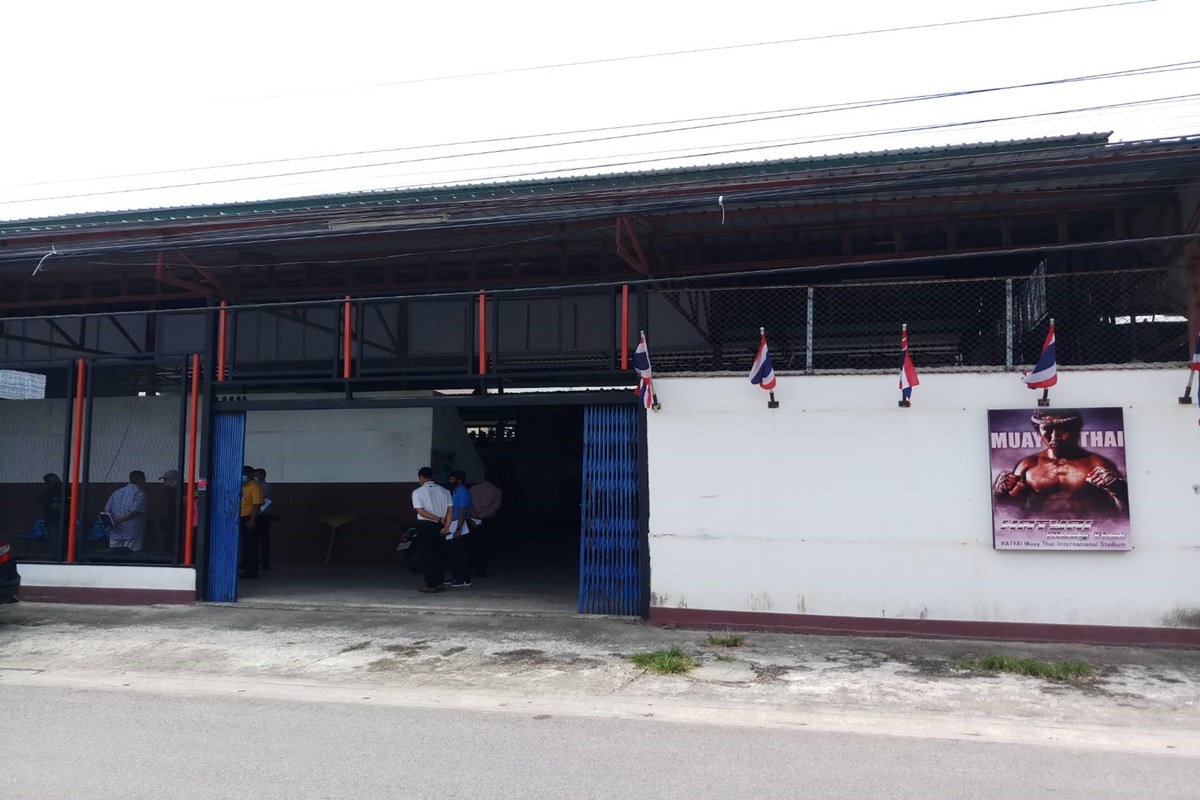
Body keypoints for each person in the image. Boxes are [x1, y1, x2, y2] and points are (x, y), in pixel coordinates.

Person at [993, 409, 1129, 519]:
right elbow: (1011, 516)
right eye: (1047, 429)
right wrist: (999, 496)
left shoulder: (1097, 464)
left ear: (1074, 429)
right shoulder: (1028, 466)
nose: (1054, 437)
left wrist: (1119, 490)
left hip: (1090, 538)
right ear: (1037, 429)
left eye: (1062, 429)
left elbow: (1124, 517)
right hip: (1041, 540)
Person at [411, 466, 451, 594]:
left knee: (428, 555)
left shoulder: (418, 492)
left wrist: (438, 519)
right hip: (441, 526)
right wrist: (446, 525)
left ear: (421, 478)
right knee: (439, 554)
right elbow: (450, 509)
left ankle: (431, 584)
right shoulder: (445, 491)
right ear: (432, 476)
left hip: (426, 526)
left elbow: (421, 511)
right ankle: (439, 582)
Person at [444, 470, 475, 588]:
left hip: (460, 525)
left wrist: (459, 528)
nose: (450, 481)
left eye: (452, 479)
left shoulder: (463, 492)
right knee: (455, 553)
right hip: (453, 524)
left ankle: (464, 579)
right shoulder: (455, 492)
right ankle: (457, 577)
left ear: (460, 480)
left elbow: (462, 511)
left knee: (461, 553)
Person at [469, 471, 503, 578]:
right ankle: (481, 570)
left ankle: (470, 568)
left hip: (473, 519)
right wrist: (483, 515)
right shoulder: (497, 490)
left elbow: (468, 505)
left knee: (473, 545)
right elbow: (495, 507)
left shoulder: (472, 489)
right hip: (487, 520)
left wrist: (475, 514)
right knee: (485, 546)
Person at [104, 471, 148, 552]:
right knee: (131, 558)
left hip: (115, 532)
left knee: (113, 557)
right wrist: (117, 521)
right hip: (133, 532)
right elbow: (133, 512)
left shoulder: (116, 492)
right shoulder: (139, 493)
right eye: (144, 478)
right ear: (140, 479)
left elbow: (107, 509)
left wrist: (112, 522)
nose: (145, 481)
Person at [239, 465, 265, 579]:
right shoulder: (244, 485)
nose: (242, 476)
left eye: (243, 474)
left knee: (251, 545)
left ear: (250, 475)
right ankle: (246, 565)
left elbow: (257, 504)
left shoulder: (255, 486)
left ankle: (252, 571)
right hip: (242, 516)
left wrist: (252, 520)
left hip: (250, 517)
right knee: (245, 544)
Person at [253, 468, 274, 571]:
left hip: (263, 515)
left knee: (264, 540)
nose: (255, 478)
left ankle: (265, 563)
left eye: (256, 475)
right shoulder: (255, 486)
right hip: (254, 514)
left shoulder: (266, 486)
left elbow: (261, 499)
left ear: (262, 475)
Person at [37, 473, 65, 542]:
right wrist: (51, 505)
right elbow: (43, 500)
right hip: (52, 518)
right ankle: (54, 551)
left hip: (64, 518)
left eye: (55, 478)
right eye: (52, 479)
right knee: (53, 535)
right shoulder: (46, 492)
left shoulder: (63, 489)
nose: (55, 480)